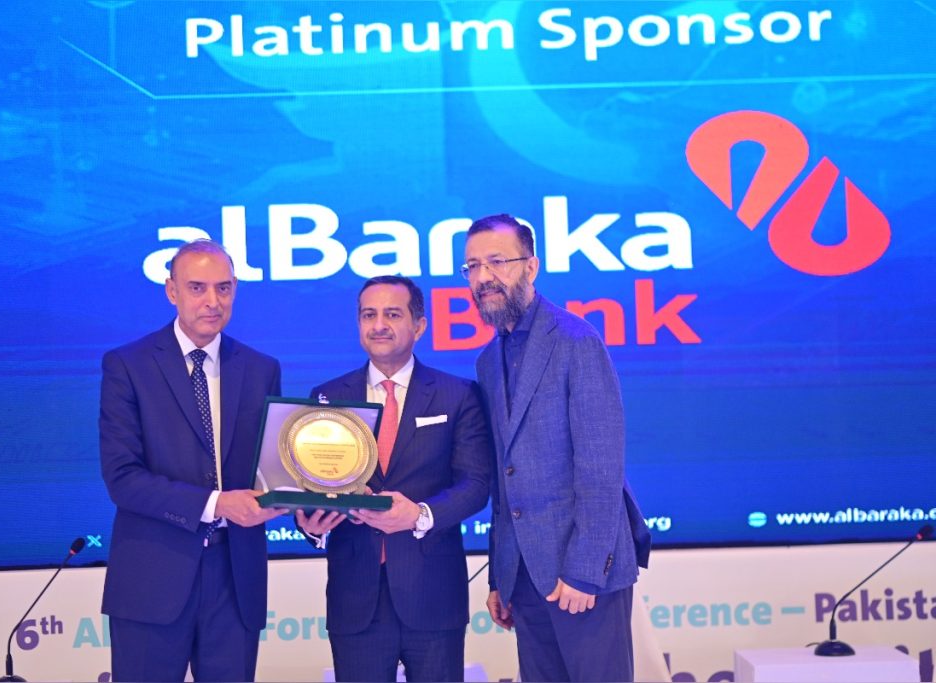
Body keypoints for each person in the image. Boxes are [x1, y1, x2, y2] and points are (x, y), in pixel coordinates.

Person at [463, 214, 652, 683]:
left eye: (497, 262)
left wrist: (585, 570)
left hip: (582, 575)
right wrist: (500, 575)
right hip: (524, 577)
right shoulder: (488, 361)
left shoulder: (575, 340)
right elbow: (505, 478)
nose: (483, 277)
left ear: (531, 267)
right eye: (472, 266)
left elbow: (601, 465)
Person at [99, 238, 284, 681]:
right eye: (197, 287)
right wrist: (217, 504)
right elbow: (122, 478)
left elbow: (271, 471)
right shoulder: (128, 365)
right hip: (153, 576)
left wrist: (304, 501)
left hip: (235, 580)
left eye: (223, 288)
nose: (212, 301)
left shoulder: (261, 369)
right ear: (172, 291)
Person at [296, 275, 492, 682]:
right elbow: (312, 488)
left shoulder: (458, 394)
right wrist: (310, 523)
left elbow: (476, 486)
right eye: (369, 315)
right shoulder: (326, 397)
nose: (379, 325)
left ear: (419, 326)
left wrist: (419, 514)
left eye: (392, 314)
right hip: (355, 598)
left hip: (432, 595)